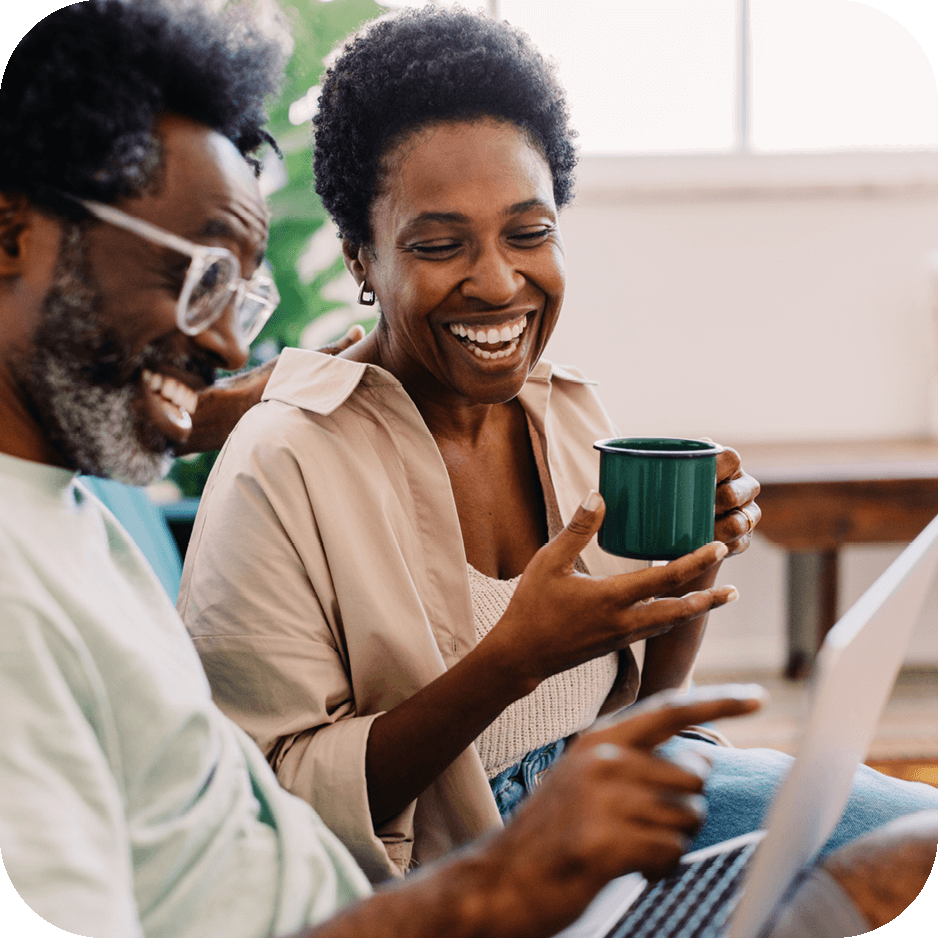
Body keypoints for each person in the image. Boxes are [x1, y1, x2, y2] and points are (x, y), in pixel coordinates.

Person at [1, 4, 933, 938]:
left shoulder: (568, 409)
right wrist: (512, 661)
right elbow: (285, 796)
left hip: (602, 808)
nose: (495, 282)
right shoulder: (277, 457)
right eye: (440, 245)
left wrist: (682, 592)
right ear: (362, 258)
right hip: (447, 866)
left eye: (529, 232)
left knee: (911, 842)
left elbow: (634, 709)